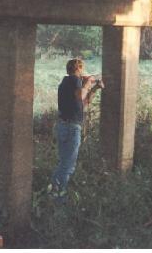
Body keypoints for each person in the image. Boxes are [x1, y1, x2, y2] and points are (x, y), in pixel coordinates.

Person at [48, 58, 103, 203]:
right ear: (78, 69)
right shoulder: (74, 80)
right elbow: (80, 95)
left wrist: (94, 88)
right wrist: (88, 81)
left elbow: (83, 103)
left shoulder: (65, 83)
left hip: (63, 126)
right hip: (71, 128)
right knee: (68, 166)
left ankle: (53, 192)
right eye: (82, 69)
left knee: (63, 163)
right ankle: (58, 198)